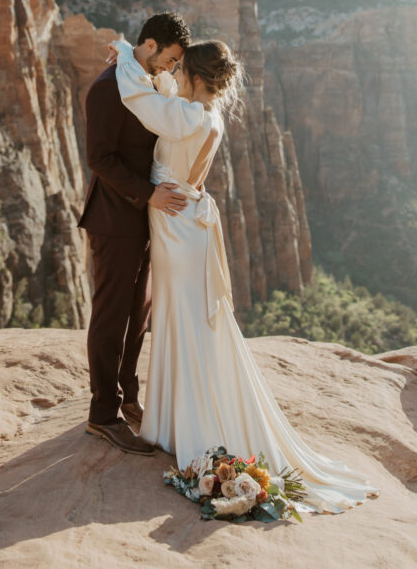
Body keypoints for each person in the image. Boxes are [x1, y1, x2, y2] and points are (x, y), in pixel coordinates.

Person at [109, 36, 380, 513]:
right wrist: (154, 68)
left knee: (184, 320)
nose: (175, 73)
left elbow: (144, 104)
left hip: (175, 225)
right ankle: (177, 420)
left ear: (193, 75)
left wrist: (129, 58)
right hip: (185, 220)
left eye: (180, 68)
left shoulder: (188, 116)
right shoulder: (204, 112)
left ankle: (188, 426)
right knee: (183, 318)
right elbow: (166, 95)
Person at [79, 11, 191, 456]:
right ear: (149, 45)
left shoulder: (143, 79)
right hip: (114, 221)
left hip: (147, 222)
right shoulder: (109, 89)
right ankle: (102, 414)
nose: (172, 68)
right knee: (110, 316)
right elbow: (99, 159)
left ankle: (128, 398)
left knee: (138, 314)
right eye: (170, 58)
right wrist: (148, 195)